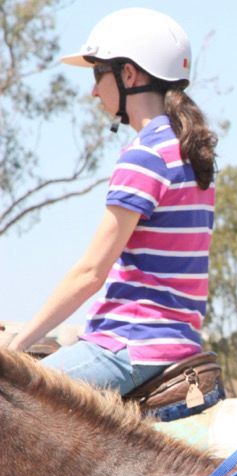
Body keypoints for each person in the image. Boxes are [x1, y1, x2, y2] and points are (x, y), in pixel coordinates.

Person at [7, 8, 218, 395]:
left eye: (97, 74)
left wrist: (14, 348)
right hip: (178, 343)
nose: (93, 90)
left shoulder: (146, 154)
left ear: (129, 75)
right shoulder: (188, 152)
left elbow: (91, 273)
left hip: (129, 344)